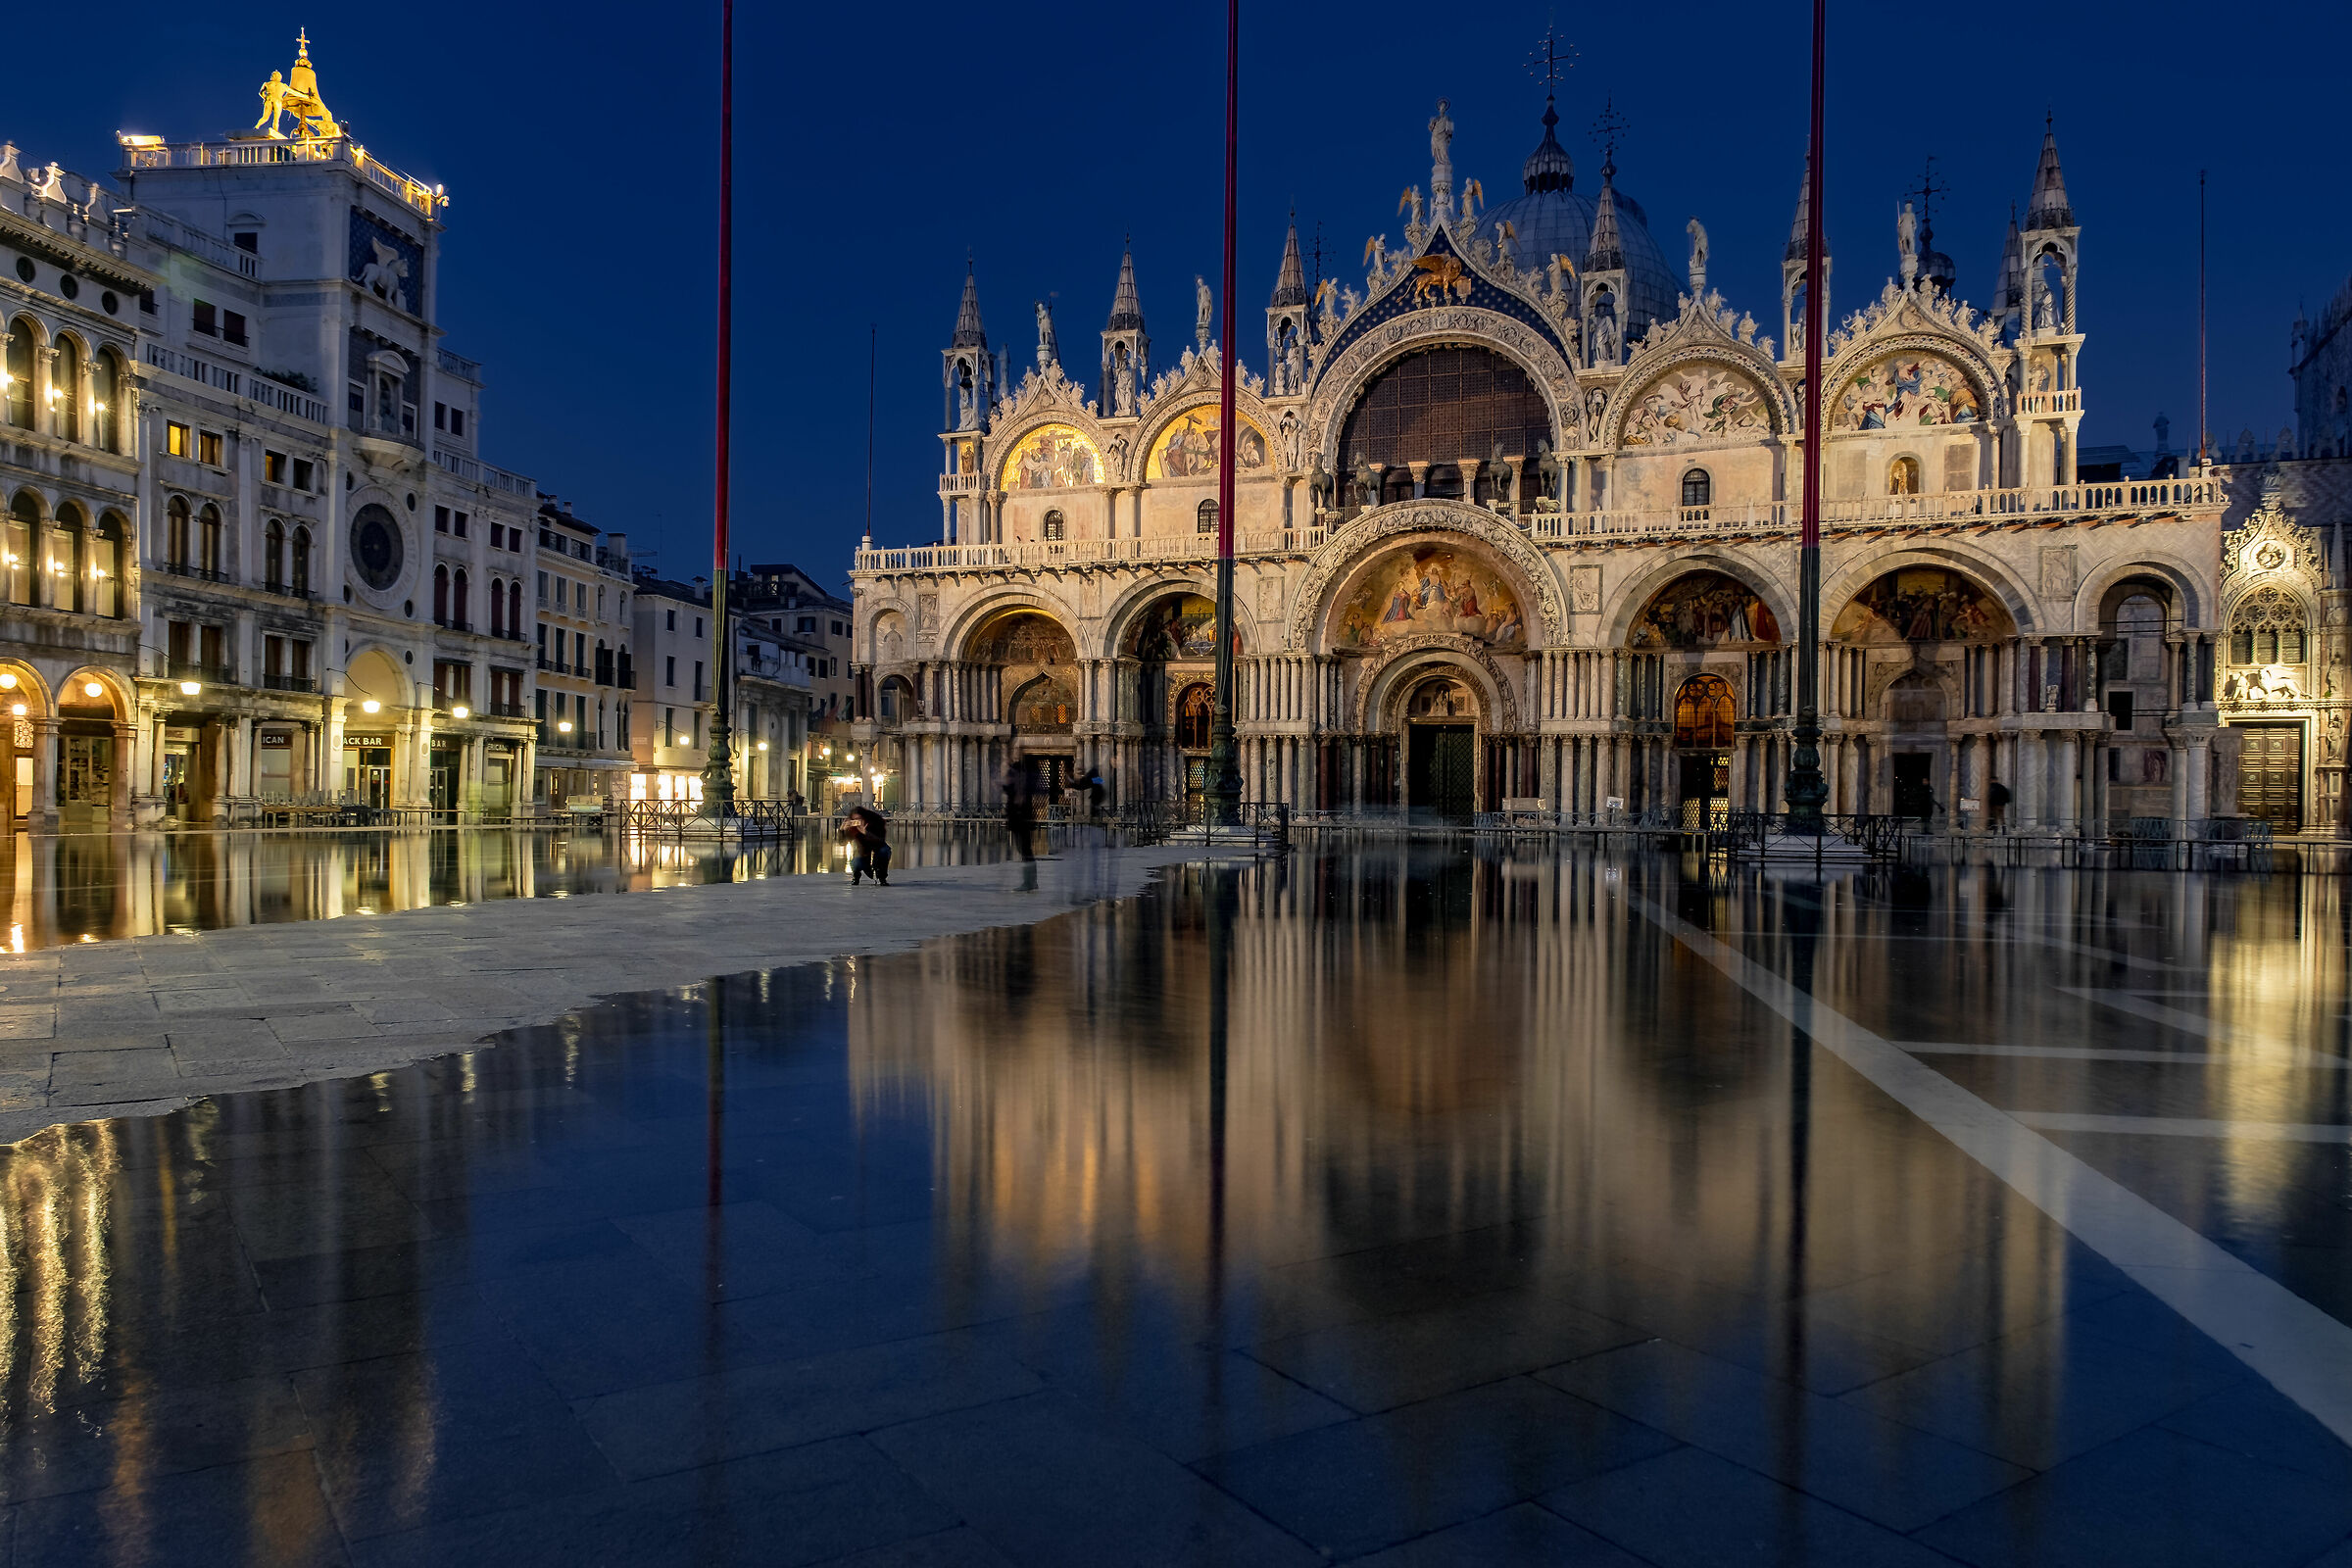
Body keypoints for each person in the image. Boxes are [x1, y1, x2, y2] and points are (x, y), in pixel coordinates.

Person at [842, 804, 891, 886]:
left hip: (878, 846)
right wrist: (842, 830)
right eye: (854, 820)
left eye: (859, 819)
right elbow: (842, 842)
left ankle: (882, 877)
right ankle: (856, 876)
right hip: (862, 851)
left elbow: (880, 841)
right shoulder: (853, 827)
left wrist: (866, 832)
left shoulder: (876, 821)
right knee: (856, 862)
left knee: (884, 851)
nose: (857, 822)